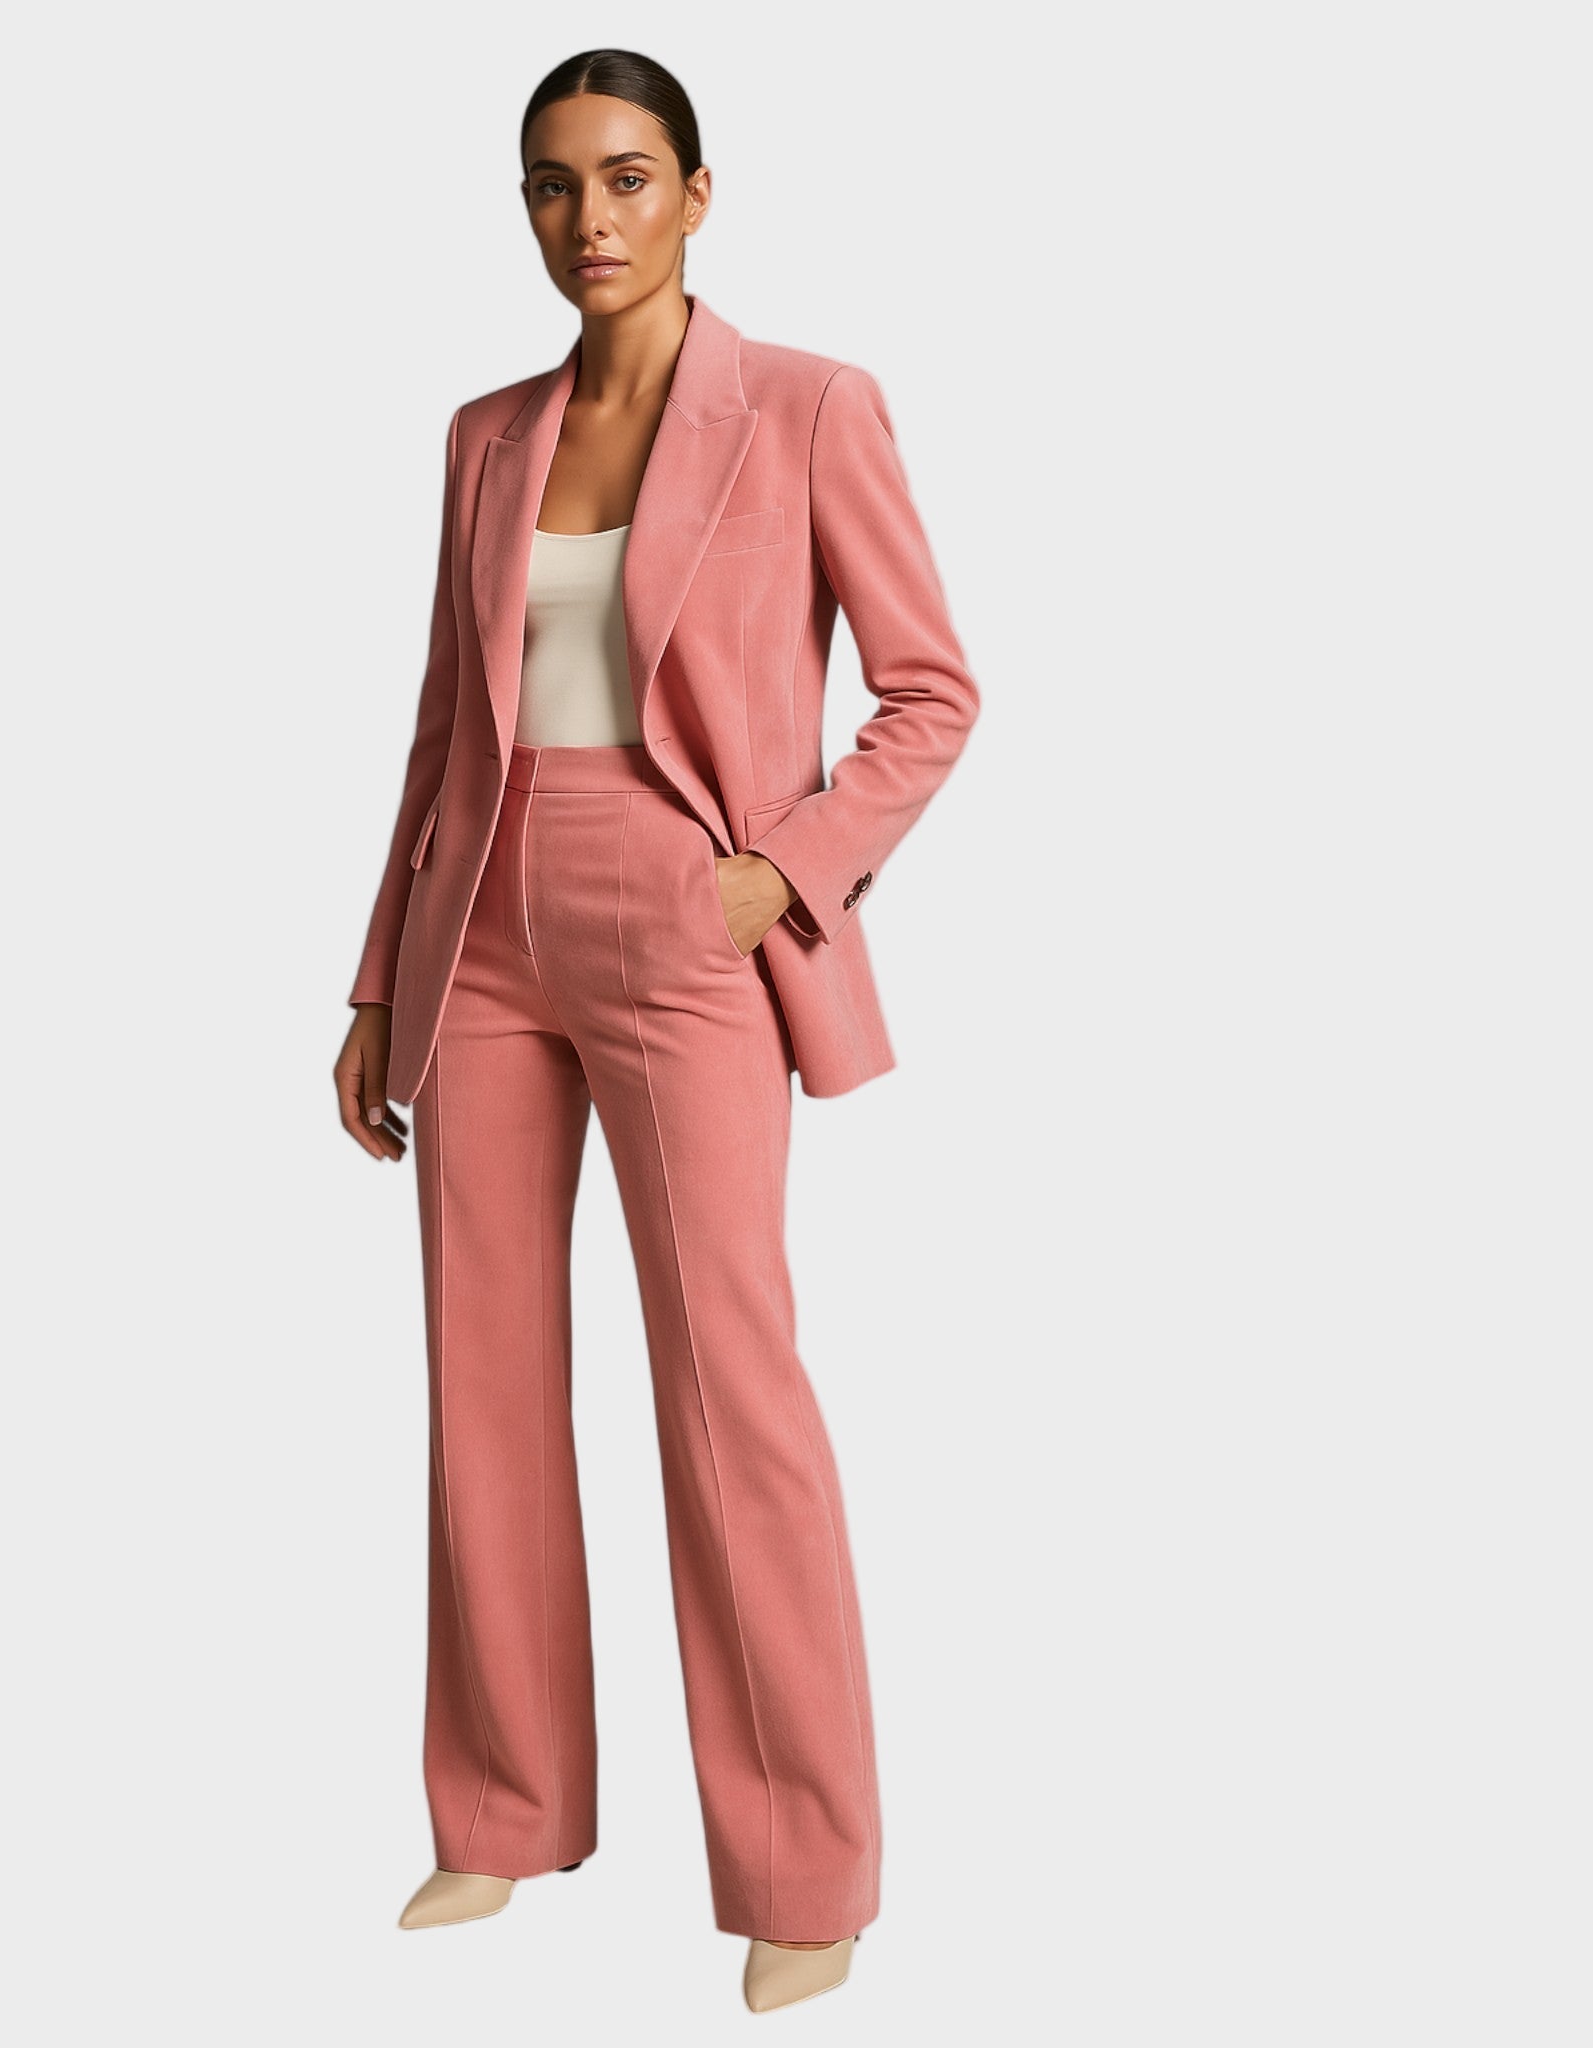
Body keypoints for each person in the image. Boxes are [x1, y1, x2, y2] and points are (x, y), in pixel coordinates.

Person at [334, 48, 981, 2015]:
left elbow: (933, 692)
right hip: (483, 919)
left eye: (625, 177)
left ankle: (804, 1866)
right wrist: (377, 979)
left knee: (727, 1384)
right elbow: (445, 727)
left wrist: (779, 875)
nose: (589, 218)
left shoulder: (807, 406)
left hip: (688, 912)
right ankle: (502, 1805)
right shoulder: (485, 435)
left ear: (700, 192)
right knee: (483, 1375)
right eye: (553, 184)